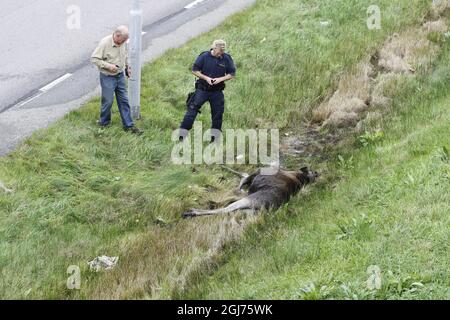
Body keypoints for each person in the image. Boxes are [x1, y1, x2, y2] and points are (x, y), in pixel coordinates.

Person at [179, 39, 236, 142]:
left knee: (217, 114)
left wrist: (220, 79)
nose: (220, 54)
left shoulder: (226, 58)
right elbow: (195, 70)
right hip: (202, 90)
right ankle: (182, 136)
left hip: (217, 92)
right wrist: (207, 78)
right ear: (214, 48)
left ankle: (215, 139)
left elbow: (232, 74)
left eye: (222, 51)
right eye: (219, 51)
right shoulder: (204, 56)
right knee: (191, 110)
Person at [91, 25, 143, 135]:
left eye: (124, 41)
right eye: (121, 41)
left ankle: (128, 125)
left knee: (124, 100)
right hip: (108, 77)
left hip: (120, 76)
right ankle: (104, 122)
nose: (122, 43)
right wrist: (109, 66)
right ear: (116, 35)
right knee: (108, 101)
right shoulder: (105, 43)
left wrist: (127, 67)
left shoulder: (122, 42)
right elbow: (94, 59)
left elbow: (125, 55)